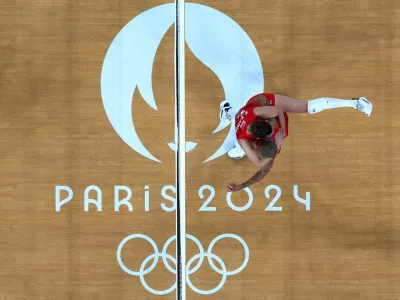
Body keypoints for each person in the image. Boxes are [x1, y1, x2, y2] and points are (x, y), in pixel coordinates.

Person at [219, 93, 373, 192]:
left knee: (309, 107)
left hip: (264, 102)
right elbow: (261, 166)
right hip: (261, 119)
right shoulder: (248, 139)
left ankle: (355, 103)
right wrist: (278, 141)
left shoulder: (257, 116)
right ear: (258, 140)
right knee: (243, 146)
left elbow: (278, 110)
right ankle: (228, 114)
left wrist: (283, 131)